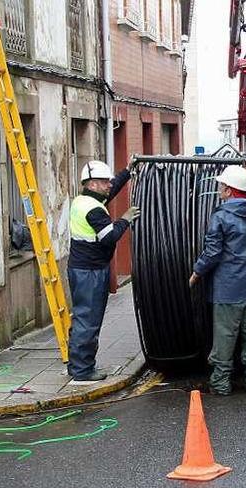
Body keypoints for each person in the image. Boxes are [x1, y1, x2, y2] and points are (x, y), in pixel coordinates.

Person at [189, 163, 246, 396]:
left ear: (229, 191)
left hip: (229, 290)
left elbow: (212, 253)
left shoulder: (221, 217)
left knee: (225, 337)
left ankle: (220, 384)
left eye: (222, 186)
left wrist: (196, 273)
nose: (219, 189)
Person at [68, 160, 140, 381]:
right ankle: (83, 370)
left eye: (109, 181)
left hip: (83, 269)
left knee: (82, 318)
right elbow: (109, 238)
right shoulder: (94, 210)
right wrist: (125, 220)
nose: (109, 185)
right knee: (88, 321)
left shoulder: (84, 201)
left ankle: (77, 365)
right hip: (89, 273)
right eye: (104, 182)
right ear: (91, 184)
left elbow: (112, 189)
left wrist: (127, 170)